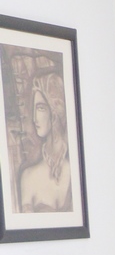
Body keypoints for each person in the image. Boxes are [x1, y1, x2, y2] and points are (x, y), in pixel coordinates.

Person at [17, 73, 72, 213]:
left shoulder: (77, 171)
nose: (34, 118)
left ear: (55, 111)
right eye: (34, 109)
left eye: (40, 108)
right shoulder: (28, 177)